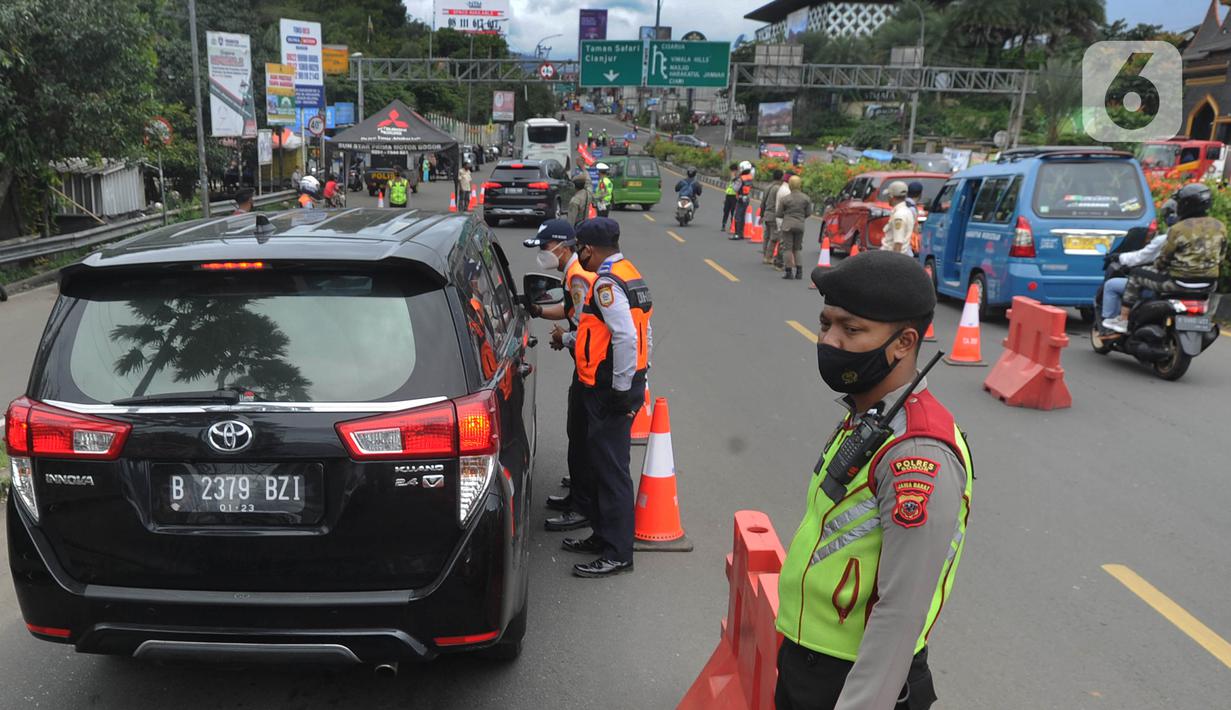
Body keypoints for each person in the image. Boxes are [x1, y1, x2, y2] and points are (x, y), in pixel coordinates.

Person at [776, 251, 973, 710]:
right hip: (811, 663)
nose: (830, 340)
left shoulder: (917, 454)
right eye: (826, 324)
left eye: (852, 329)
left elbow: (902, 612)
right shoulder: (870, 416)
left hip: (854, 682)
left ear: (904, 342)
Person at [567, 217, 653, 578]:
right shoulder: (630, 272)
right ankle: (602, 536)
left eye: (578, 249)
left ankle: (618, 551)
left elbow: (625, 338)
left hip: (609, 388)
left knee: (612, 470)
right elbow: (642, 330)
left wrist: (620, 389)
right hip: (620, 382)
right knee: (603, 465)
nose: (577, 257)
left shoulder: (606, 282)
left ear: (589, 248)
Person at [523, 220, 598, 532]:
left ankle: (582, 507)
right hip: (584, 367)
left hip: (591, 370)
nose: (542, 253)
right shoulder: (572, 275)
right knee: (576, 434)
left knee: (582, 438)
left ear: (562, 248)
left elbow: (582, 328)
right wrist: (538, 311)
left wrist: (563, 338)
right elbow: (570, 313)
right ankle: (577, 497)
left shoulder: (578, 276)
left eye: (545, 247)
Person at [1105, 183, 1227, 333]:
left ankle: (1123, 319)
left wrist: (1158, 267)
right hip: (1208, 285)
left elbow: (1163, 259)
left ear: (1186, 204)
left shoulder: (1178, 228)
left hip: (1178, 283)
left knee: (1136, 274)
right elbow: (1221, 256)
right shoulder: (1220, 226)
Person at [776, 175, 813, 279]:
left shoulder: (785, 199)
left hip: (787, 225)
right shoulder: (806, 198)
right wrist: (801, 217)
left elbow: (779, 214)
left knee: (787, 249)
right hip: (800, 225)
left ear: (790, 185)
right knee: (797, 249)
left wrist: (787, 215)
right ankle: (799, 272)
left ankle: (788, 272)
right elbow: (809, 213)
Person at [881, 181, 916, 256]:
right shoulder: (907, 211)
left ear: (891, 197)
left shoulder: (899, 215)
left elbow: (898, 243)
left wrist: (894, 264)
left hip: (891, 256)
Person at [730, 163, 754, 241]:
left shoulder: (740, 179)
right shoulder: (749, 177)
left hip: (740, 198)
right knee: (742, 216)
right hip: (746, 198)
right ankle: (741, 233)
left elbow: (735, 189)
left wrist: (733, 180)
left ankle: (737, 234)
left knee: (737, 216)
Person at [721, 163, 740, 233]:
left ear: (735, 171)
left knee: (733, 212)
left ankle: (733, 226)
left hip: (734, 197)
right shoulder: (732, 178)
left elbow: (736, 187)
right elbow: (729, 187)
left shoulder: (737, 178)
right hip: (728, 196)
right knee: (726, 211)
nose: (731, 172)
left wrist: (734, 178)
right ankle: (723, 225)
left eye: (732, 171)